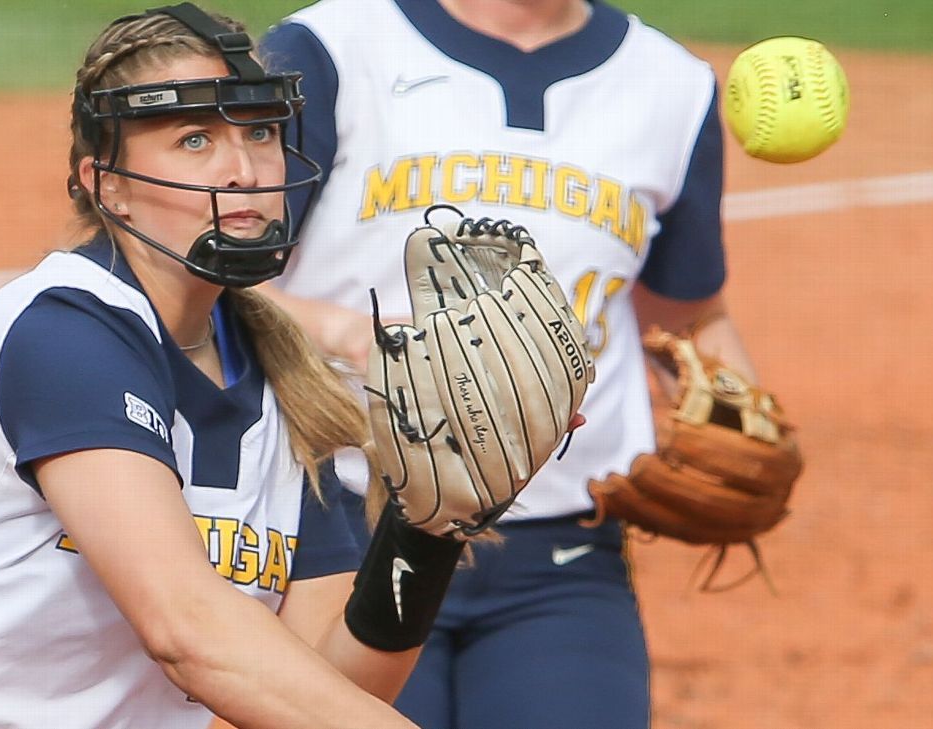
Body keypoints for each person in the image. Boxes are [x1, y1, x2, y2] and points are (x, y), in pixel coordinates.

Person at [0, 5, 476, 727]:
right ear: (105, 183)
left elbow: (323, 685)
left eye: (260, 134)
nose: (243, 170)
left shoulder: (290, 383)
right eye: (195, 140)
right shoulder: (66, 333)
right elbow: (186, 629)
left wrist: (429, 529)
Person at [260, 0, 763, 727]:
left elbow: (687, 314)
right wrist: (347, 333)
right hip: (345, 527)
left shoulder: (670, 85)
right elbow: (217, 283)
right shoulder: (330, 48)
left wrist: (741, 418)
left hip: (561, 551)